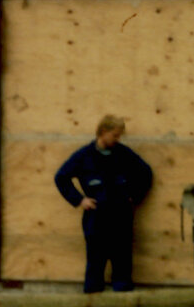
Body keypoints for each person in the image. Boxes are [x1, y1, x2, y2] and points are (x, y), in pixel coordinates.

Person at [54, 115, 152, 293]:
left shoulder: (124, 154)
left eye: (119, 136)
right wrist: (79, 200)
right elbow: (61, 177)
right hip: (96, 217)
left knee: (122, 264)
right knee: (95, 265)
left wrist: (134, 197)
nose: (118, 139)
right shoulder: (84, 156)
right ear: (103, 132)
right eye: (115, 135)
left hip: (121, 217)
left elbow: (146, 174)